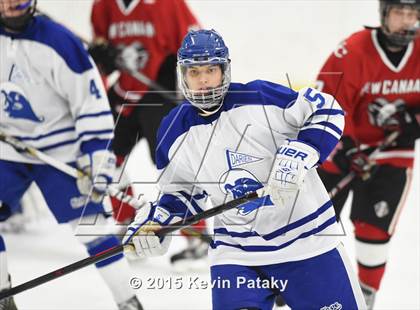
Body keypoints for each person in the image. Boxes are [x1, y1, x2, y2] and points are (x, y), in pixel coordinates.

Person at [123, 29, 367, 310]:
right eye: (194, 72)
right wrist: (160, 220)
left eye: (211, 70)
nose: (203, 80)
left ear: (224, 71)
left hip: (308, 242)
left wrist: (300, 153)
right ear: (183, 75)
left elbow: (327, 110)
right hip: (238, 253)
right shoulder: (172, 130)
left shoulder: (259, 97)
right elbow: (182, 193)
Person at [0, 1, 143, 309]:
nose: (11, 5)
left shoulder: (59, 41)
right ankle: (3, 297)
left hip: (60, 149)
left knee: (92, 226)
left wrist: (97, 157)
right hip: (9, 148)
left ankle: (128, 301)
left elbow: (90, 102)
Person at [315, 0, 419, 308]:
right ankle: (296, 284)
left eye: (413, 14)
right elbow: (323, 104)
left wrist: (414, 120)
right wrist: (344, 147)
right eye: (400, 12)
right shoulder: (353, 51)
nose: (406, 21)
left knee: (374, 231)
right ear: (384, 14)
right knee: (315, 227)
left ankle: (364, 298)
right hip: (342, 150)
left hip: (391, 154)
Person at [89, 0, 207, 267]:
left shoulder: (168, 4)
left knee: (175, 165)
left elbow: (197, 46)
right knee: (106, 157)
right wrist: (101, 58)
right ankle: (129, 220)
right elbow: (99, 52)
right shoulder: (103, 4)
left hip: (159, 95)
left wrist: (177, 78)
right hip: (124, 96)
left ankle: (196, 234)